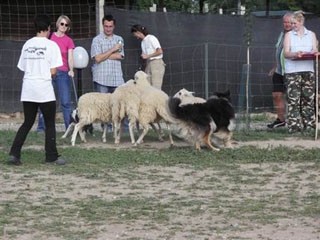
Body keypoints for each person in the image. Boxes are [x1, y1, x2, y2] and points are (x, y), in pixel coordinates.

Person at [8, 14, 65, 165]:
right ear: (48, 28)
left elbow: (22, 67)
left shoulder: (27, 45)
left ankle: (14, 154)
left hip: (28, 89)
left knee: (27, 122)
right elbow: (53, 72)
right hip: (44, 90)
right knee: (50, 123)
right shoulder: (52, 45)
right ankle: (51, 156)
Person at [37, 15, 75, 132]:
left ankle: (69, 128)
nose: (64, 26)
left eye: (66, 25)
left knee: (65, 102)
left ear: (68, 27)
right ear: (58, 24)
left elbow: (70, 58)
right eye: (62, 24)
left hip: (63, 73)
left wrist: (71, 69)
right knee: (45, 100)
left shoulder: (69, 40)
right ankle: (41, 128)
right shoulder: (50, 37)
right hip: (48, 72)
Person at [283, 10, 318, 133]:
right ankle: (294, 127)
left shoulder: (311, 35)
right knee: (293, 100)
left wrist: (315, 53)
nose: (292, 26)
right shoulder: (288, 35)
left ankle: (309, 125)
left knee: (308, 98)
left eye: (294, 23)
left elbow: (314, 49)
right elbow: (286, 53)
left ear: (301, 22)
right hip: (292, 71)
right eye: (291, 23)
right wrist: (295, 54)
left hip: (308, 70)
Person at [267, 12, 293, 129]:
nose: (286, 24)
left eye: (289, 22)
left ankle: (295, 120)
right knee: (276, 95)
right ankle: (281, 120)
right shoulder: (282, 34)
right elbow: (279, 52)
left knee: (293, 97)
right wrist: (275, 66)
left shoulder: (296, 35)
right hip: (279, 71)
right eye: (285, 22)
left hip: (291, 71)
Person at [90, 14, 124, 94]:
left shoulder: (119, 39)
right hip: (101, 80)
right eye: (106, 26)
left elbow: (120, 56)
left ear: (114, 26)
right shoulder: (96, 40)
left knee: (117, 106)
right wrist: (113, 49)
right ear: (103, 25)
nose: (108, 29)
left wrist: (103, 55)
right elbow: (97, 59)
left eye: (110, 26)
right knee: (102, 105)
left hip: (117, 80)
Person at [131, 24, 165, 90]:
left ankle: (157, 100)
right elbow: (145, 55)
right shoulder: (143, 42)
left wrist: (147, 56)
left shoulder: (151, 38)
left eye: (134, 34)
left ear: (138, 32)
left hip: (156, 63)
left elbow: (160, 51)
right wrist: (143, 56)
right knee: (147, 86)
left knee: (156, 87)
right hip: (149, 63)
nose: (134, 36)